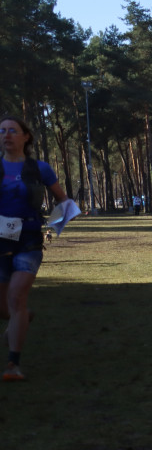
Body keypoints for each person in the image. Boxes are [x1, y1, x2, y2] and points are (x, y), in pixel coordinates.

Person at [0, 117, 70, 381]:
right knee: (5, 307)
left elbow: (63, 201)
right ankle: (23, 317)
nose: (6, 135)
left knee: (17, 297)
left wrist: (54, 224)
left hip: (29, 240)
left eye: (12, 131)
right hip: (0, 242)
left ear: (25, 137)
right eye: (2, 131)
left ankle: (12, 364)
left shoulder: (39, 168)